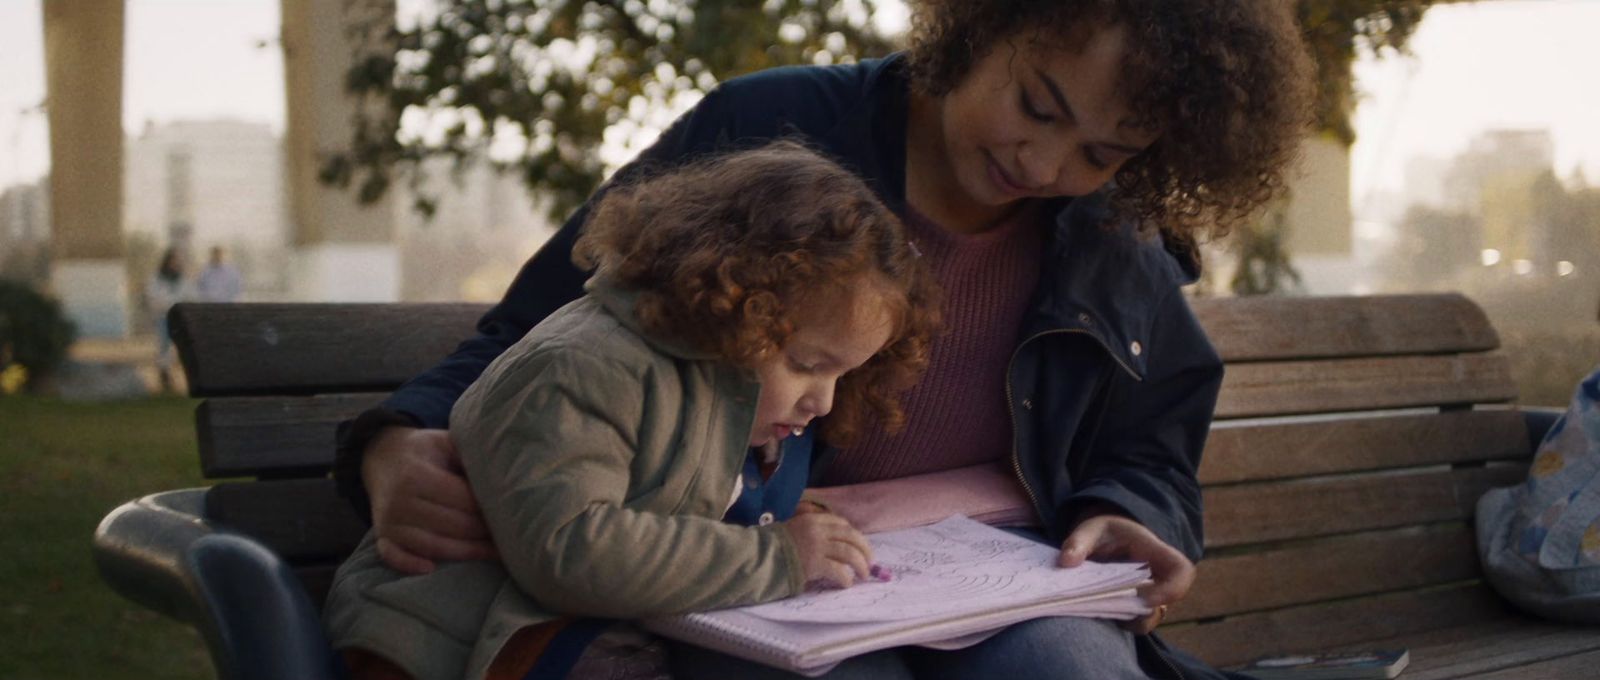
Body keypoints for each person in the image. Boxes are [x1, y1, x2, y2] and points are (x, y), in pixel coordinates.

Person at [334, 0, 1315, 677]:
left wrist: (1128, 510)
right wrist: (389, 440)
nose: (1044, 159)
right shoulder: (772, 130)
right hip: (763, 567)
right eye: (1035, 104)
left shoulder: (1113, 235)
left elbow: (1151, 439)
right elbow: (543, 330)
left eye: (1102, 153)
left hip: (1000, 579)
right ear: (984, 24)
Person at [323, 141, 941, 680]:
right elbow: (571, 550)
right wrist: (777, 555)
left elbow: (678, 502)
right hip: (443, 645)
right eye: (808, 364)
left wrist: (780, 520)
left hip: (568, 631)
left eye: (843, 372)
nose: (824, 400)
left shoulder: (728, 390)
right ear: (735, 302)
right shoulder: (582, 366)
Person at [145, 247, 192, 392]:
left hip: (178, 317)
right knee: (163, 347)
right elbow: (152, 296)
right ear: (166, 261)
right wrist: (167, 304)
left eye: (177, 261)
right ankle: (164, 375)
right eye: (172, 260)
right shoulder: (157, 278)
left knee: (180, 348)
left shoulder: (182, 279)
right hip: (163, 316)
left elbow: (187, 295)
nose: (175, 263)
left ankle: (179, 376)